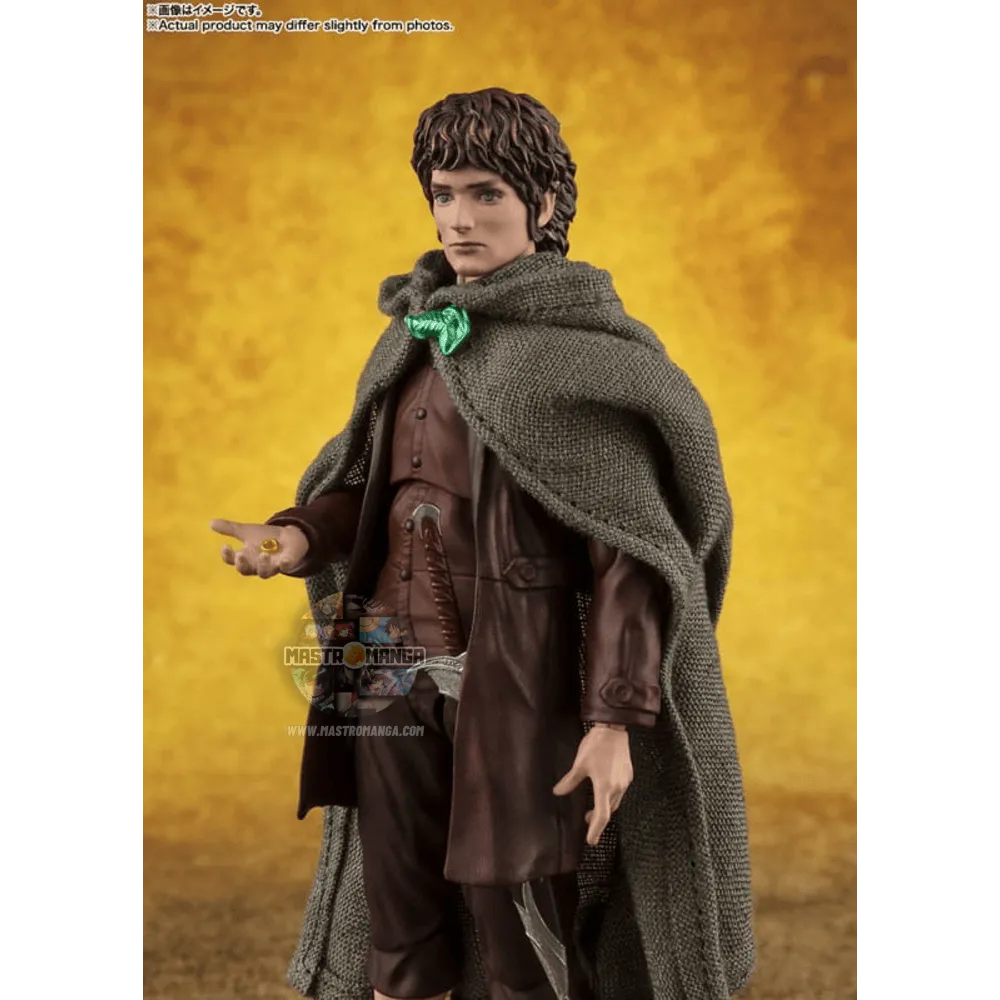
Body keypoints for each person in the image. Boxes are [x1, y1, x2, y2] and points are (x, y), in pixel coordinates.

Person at [211, 88, 754, 1000]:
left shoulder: (581, 360)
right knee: (395, 891)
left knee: (516, 899)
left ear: (545, 204)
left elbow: (629, 558)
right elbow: (375, 490)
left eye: (487, 194)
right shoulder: (414, 339)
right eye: (444, 194)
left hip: (516, 674)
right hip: (389, 662)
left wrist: (614, 720)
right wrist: (296, 537)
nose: (459, 218)